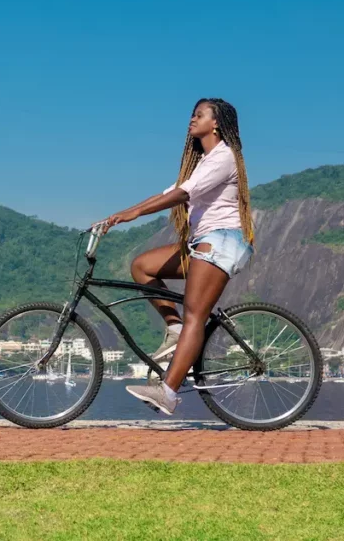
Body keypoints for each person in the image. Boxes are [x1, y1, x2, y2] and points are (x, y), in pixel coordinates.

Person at [98, 98, 255, 415]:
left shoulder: (224, 156)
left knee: (196, 316)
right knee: (142, 266)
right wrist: (121, 214)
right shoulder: (203, 163)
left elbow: (182, 195)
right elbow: (168, 193)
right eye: (191, 114)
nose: (191, 120)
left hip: (222, 242)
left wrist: (136, 213)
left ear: (216, 123)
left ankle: (168, 392)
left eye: (199, 115)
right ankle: (174, 327)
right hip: (203, 243)